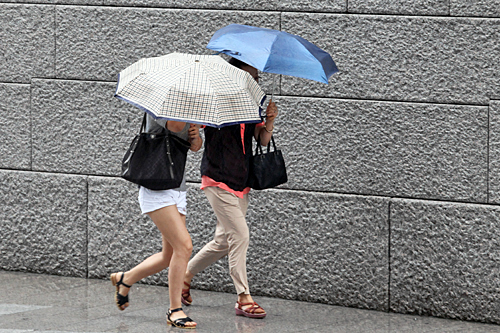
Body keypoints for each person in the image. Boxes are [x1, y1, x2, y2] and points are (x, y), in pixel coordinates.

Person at [181, 58, 278, 319]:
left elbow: (262, 139)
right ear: (236, 78)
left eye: (256, 78)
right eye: (250, 78)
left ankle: (184, 275)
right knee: (241, 235)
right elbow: (197, 140)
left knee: (223, 241)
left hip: (242, 181)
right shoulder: (216, 103)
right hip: (218, 178)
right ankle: (243, 297)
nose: (255, 82)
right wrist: (194, 134)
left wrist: (268, 121)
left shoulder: (253, 106)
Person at [110, 116, 202, 329]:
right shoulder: (163, 107)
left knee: (168, 256)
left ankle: (126, 278)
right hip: (156, 188)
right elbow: (176, 126)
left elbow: (196, 147)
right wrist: (191, 117)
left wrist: (196, 135)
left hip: (177, 187)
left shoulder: (187, 107)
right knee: (184, 246)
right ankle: (175, 310)